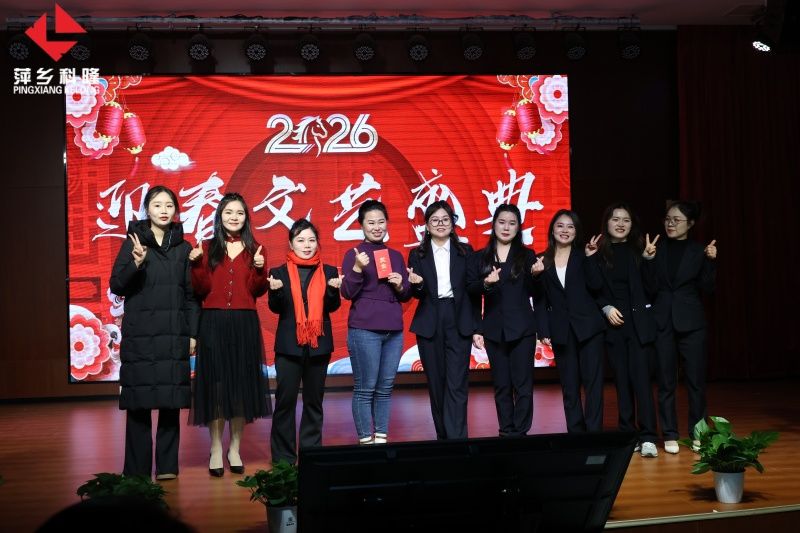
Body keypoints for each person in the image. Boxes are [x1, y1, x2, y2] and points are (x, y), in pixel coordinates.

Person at [109, 185, 200, 480]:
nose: (163, 210)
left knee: (170, 402)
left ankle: (167, 467)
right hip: (141, 335)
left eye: (169, 205)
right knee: (138, 404)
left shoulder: (184, 248)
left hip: (173, 334)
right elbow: (117, 285)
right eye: (157, 205)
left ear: (176, 210)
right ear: (147, 209)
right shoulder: (132, 242)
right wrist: (135, 263)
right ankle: (137, 470)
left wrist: (193, 334)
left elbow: (191, 296)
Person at [189, 192, 272, 477]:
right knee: (216, 385)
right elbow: (200, 289)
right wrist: (196, 264)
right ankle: (215, 447)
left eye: (239, 212)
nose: (234, 217)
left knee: (240, 388)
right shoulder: (206, 247)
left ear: (246, 217)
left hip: (244, 322)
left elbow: (256, 290)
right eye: (228, 212)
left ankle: (234, 448)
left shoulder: (256, 249)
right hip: (213, 322)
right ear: (220, 216)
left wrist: (260, 270)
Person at [268, 219, 342, 464]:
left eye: (311, 240)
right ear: (291, 243)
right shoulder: (278, 272)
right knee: (285, 402)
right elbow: (276, 308)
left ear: (317, 243)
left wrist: (332, 290)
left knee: (314, 402)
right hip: (289, 347)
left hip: (318, 347)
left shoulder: (329, 272)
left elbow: (332, 306)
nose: (307, 245)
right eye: (301, 240)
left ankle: (311, 455)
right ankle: (283, 459)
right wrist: (276, 291)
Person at [588, 202, 659, 457]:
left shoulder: (640, 250)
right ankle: (628, 435)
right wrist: (605, 307)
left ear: (632, 225)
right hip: (614, 326)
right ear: (606, 223)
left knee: (641, 381)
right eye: (615, 219)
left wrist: (649, 261)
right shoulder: (598, 253)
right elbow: (592, 289)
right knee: (621, 382)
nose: (620, 224)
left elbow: (653, 289)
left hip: (638, 325)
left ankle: (648, 436)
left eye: (626, 220)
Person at [466, 204, 544, 437]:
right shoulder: (480, 256)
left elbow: (535, 292)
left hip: (522, 329)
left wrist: (537, 276)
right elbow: (471, 290)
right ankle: (506, 432)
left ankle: (520, 433)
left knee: (523, 386)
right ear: (494, 224)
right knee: (501, 385)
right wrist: (486, 284)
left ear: (518, 227)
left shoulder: (527, 255)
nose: (506, 227)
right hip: (493, 329)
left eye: (512, 223)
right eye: (502, 222)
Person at [341, 200, 411, 444]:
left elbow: (405, 294)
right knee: (365, 388)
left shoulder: (395, 255)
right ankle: (365, 441)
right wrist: (357, 268)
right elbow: (347, 292)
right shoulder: (354, 254)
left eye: (381, 222)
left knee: (385, 388)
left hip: (393, 330)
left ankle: (381, 440)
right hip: (364, 329)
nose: (377, 227)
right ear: (361, 225)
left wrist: (400, 285)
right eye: (371, 222)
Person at [407, 200, 478, 440]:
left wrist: (477, 327)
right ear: (427, 226)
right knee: (436, 384)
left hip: (458, 318)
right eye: (435, 220)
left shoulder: (465, 251)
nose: (440, 224)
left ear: (452, 224)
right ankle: (443, 438)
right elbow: (415, 293)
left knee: (457, 382)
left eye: (445, 220)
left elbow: (472, 289)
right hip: (430, 319)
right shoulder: (417, 254)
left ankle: (458, 439)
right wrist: (417, 285)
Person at [651, 201, 717, 454]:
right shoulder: (655, 248)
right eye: (668, 219)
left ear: (690, 224)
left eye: (676, 220)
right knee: (666, 381)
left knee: (696, 381)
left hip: (692, 322)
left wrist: (711, 261)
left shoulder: (700, 251)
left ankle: (698, 432)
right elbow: (648, 286)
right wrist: (647, 259)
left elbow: (708, 288)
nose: (670, 224)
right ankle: (669, 433)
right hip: (662, 321)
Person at [537, 209, 607, 433]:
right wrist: (543, 330)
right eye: (560, 225)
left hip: (589, 328)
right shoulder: (542, 259)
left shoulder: (584, 255)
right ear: (552, 230)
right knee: (569, 386)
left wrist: (590, 258)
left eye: (570, 226)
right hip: (561, 330)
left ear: (576, 232)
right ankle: (576, 434)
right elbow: (540, 300)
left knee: (593, 385)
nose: (565, 230)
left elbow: (597, 286)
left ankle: (593, 434)